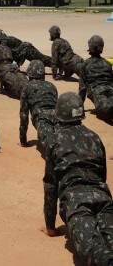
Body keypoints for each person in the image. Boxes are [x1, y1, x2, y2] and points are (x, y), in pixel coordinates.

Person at [42, 92, 113, 266]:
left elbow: (50, 185)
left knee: (93, 250)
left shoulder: (55, 140)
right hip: (103, 199)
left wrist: (50, 226)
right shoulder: (94, 137)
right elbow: (102, 175)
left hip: (76, 203)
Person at [19, 60, 58, 149]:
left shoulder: (27, 87)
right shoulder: (51, 86)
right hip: (57, 117)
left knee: (50, 144)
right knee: (64, 140)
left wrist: (23, 140)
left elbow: (23, 115)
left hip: (41, 118)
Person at [79, 35, 113, 123]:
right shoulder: (107, 63)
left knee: (105, 109)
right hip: (109, 88)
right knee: (108, 108)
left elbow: (82, 88)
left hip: (97, 91)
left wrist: (80, 107)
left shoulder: (85, 64)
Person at [0, 31, 28, 99]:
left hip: (3, 71)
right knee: (22, 80)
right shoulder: (7, 48)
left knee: (17, 85)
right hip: (13, 68)